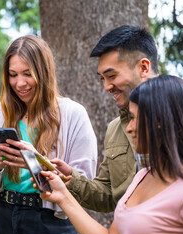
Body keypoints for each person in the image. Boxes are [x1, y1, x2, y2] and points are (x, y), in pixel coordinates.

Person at [0, 35, 97, 234]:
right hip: (0, 218)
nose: (19, 83)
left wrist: (37, 163)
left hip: (51, 224)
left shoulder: (73, 114)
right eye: (12, 75)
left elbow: (84, 189)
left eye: (27, 74)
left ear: (44, 73)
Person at [38, 75, 183, 234]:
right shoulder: (142, 177)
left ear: (160, 122)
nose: (128, 128)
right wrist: (63, 196)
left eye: (134, 118)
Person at [54, 25, 159, 212]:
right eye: (102, 78)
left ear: (144, 67)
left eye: (111, 76)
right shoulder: (115, 128)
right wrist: (69, 179)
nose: (107, 87)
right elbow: (108, 195)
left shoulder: (179, 116)